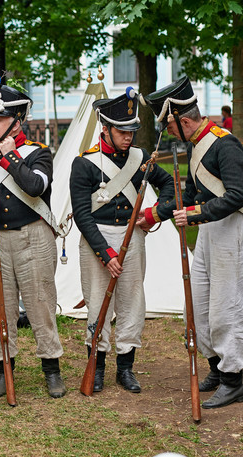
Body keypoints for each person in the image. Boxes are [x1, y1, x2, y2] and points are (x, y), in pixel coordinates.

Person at [146, 76, 243, 409]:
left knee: (227, 308)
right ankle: (215, 369)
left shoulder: (225, 144)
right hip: (211, 230)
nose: (169, 134)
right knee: (198, 307)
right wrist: (157, 214)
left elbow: (237, 195)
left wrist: (193, 215)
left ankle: (233, 380)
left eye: (170, 127)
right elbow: (192, 196)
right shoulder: (198, 145)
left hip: (233, 230)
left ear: (185, 121)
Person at [70, 87, 174, 394]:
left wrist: (155, 213)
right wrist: (106, 253)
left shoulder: (142, 159)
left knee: (132, 303)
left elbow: (169, 185)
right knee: (97, 306)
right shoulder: (84, 164)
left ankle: (125, 368)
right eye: (122, 131)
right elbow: (81, 214)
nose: (128, 137)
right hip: (96, 241)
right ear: (105, 128)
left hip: (133, 239)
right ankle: (97, 367)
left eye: (132, 131)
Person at [0, 78, 67, 398]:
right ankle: (3, 367)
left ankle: (51, 368)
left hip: (33, 237)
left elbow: (36, 187)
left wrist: (10, 157)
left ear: (16, 122)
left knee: (40, 304)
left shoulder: (38, 153)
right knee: (0, 309)